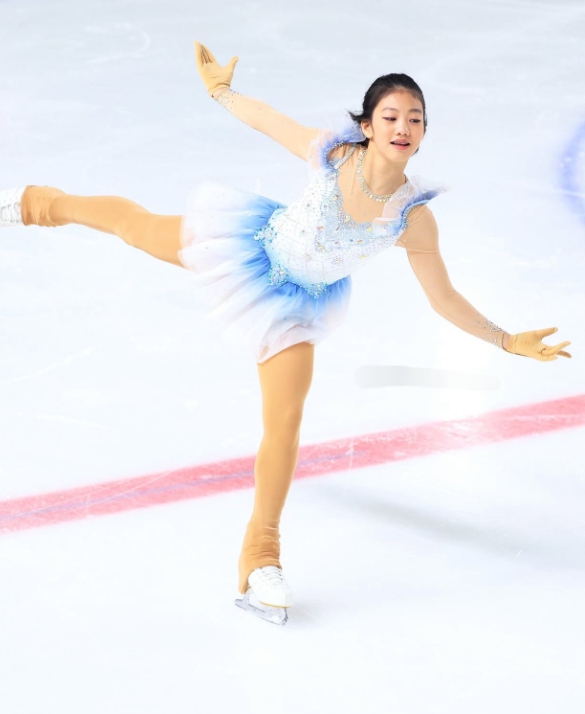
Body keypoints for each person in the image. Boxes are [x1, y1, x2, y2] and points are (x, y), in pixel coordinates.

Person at [0, 42, 572, 626]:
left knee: (285, 422)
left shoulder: (413, 218)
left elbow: (443, 297)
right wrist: (221, 91)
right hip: (248, 249)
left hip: (296, 310)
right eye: (391, 116)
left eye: (415, 119)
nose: (403, 127)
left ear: (424, 133)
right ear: (368, 126)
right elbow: (268, 120)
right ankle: (37, 203)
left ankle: (260, 558)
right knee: (135, 226)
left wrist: (506, 340)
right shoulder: (335, 156)